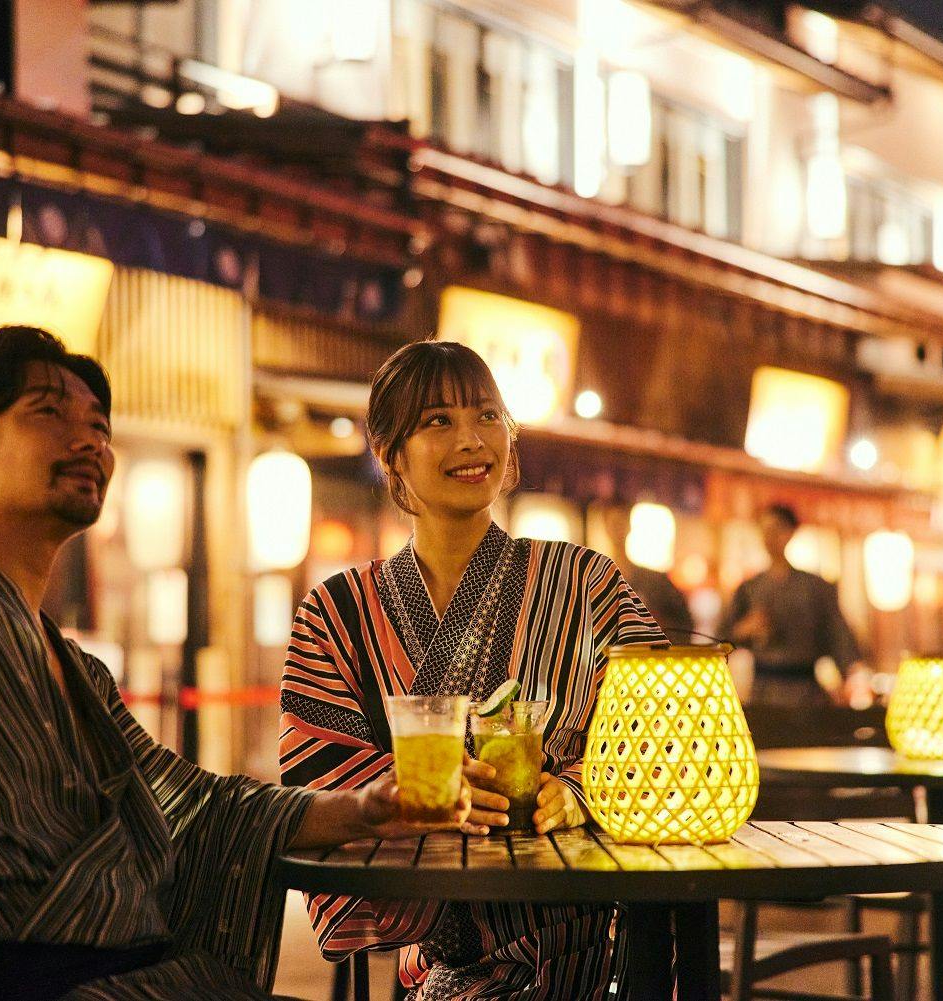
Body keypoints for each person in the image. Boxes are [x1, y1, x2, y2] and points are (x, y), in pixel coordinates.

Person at [0, 326, 467, 1001]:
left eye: (100, 427)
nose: (90, 442)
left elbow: (193, 806)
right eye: (48, 413)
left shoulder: (72, 665)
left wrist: (364, 806)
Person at [279, 340, 665, 1000]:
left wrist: (577, 790)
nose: (472, 440)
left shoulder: (584, 582)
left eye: (488, 416)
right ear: (390, 453)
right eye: (437, 421)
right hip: (431, 958)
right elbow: (318, 775)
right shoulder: (336, 611)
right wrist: (416, 799)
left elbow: (665, 724)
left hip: (587, 949)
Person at [717, 503, 869, 706]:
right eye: (765, 531)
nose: (770, 537)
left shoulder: (814, 586)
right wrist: (744, 629)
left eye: (776, 530)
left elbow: (838, 634)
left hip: (805, 689)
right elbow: (721, 638)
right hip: (763, 688)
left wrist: (852, 676)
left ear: (790, 533)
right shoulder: (750, 587)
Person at [598, 504, 695, 642]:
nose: (617, 530)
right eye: (613, 524)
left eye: (620, 523)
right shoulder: (598, 580)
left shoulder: (654, 581)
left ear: (629, 526)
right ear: (606, 528)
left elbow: (685, 623)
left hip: (649, 659)